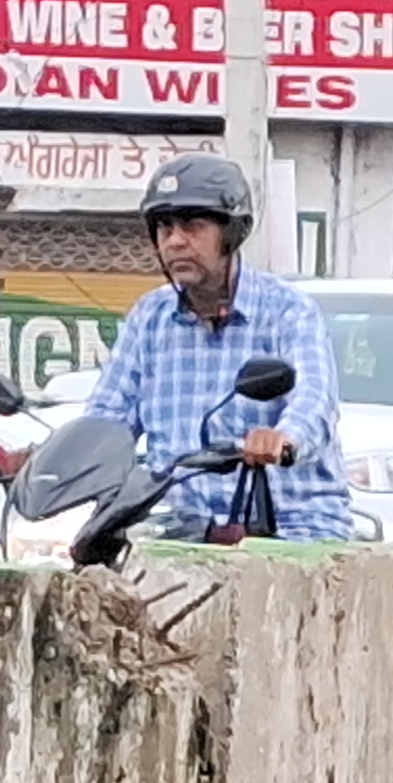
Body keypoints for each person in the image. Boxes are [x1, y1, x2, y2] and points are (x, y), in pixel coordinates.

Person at [74, 153, 352, 541]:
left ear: (231, 235)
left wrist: (281, 439)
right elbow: (107, 416)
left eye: (192, 226)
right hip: (182, 531)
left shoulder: (288, 310)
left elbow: (314, 400)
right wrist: (59, 459)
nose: (175, 241)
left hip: (289, 528)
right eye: (165, 228)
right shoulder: (149, 317)